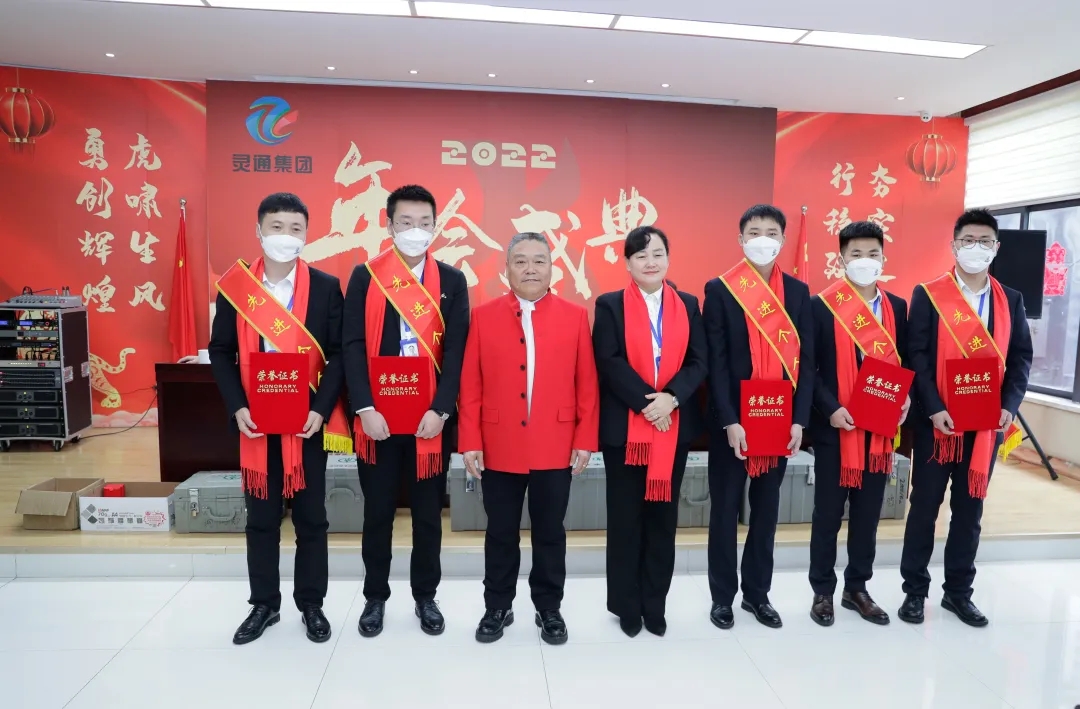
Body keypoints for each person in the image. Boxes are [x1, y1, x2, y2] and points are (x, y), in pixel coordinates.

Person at [208, 192, 350, 645]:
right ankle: (264, 604)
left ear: (306, 235)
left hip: (306, 422)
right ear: (259, 231)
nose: (285, 237)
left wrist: (320, 409)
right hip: (255, 422)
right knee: (261, 518)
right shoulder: (236, 287)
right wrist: (237, 405)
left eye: (295, 229)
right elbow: (220, 351)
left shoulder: (326, 287)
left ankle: (311, 604)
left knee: (311, 519)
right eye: (276, 227)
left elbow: (338, 356)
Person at [458, 232, 598, 645]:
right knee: (500, 531)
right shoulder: (483, 316)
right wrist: (470, 440)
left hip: (556, 442)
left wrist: (584, 438)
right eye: (520, 261)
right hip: (498, 443)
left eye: (539, 261)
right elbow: (471, 384)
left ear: (552, 268)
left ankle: (548, 606)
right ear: (507, 269)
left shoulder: (575, 316)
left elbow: (587, 384)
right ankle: (497, 605)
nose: (530, 269)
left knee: (550, 531)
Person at [343, 184, 469, 638]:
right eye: (406, 222)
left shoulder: (452, 281)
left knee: (428, 515)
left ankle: (425, 596)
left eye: (424, 223)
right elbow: (352, 344)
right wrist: (364, 407)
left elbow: (456, 352)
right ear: (389, 224)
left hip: (429, 422)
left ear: (435, 226)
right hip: (376, 420)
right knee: (377, 513)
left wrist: (442, 410)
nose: (416, 230)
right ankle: (375, 597)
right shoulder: (366, 276)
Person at [898, 209, 1032, 627]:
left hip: (985, 425)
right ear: (954, 245)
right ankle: (914, 592)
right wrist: (934, 407)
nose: (976, 248)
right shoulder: (929, 294)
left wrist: (1009, 406)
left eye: (984, 241)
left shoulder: (1010, 300)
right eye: (968, 240)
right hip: (937, 424)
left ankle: (958, 593)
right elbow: (917, 356)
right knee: (924, 508)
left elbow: (1020, 358)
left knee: (969, 512)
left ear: (997, 247)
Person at [703, 204, 814, 630]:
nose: (762, 238)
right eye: (754, 231)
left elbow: (807, 362)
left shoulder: (799, 293)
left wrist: (799, 420)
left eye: (771, 232)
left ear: (783, 240)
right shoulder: (720, 289)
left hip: (779, 421)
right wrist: (729, 419)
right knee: (724, 512)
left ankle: (757, 595)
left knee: (766, 513)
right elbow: (715, 361)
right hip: (732, 424)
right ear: (741, 239)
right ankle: (722, 598)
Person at [593, 226, 708, 638]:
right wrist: (649, 403)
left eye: (657, 253)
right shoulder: (610, 305)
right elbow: (608, 360)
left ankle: (654, 604)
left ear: (668, 259)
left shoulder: (688, 305)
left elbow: (699, 361)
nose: (650, 262)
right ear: (627, 263)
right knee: (626, 520)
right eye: (640, 255)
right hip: (626, 432)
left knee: (662, 519)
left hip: (673, 425)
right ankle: (627, 606)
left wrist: (671, 399)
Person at [807, 221, 910, 627]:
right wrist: (830, 408)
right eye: (856, 254)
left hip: (879, 432)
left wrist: (905, 400)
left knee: (868, 515)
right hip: (836, 429)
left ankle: (857, 588)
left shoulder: (897, 308)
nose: (865, 261)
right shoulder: (821, 306)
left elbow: (907, 364)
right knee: (828, 515)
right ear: (841, 259)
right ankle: (822, 591)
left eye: (872, 254)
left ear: (883, 259)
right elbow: (809, 369)